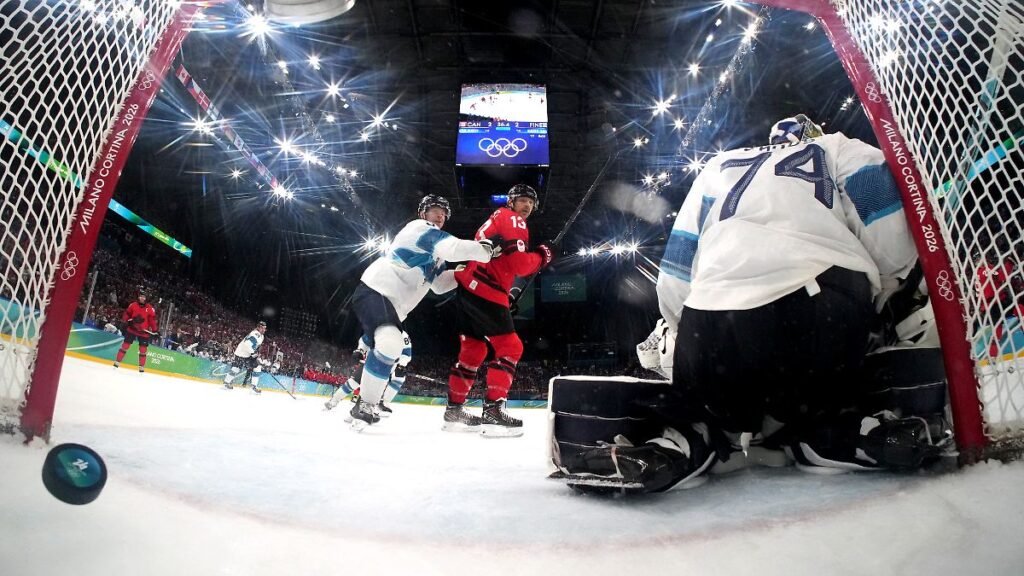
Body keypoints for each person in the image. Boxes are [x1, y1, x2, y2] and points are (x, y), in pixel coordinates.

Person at [561, 115, 943, 493]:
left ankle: (681, 445)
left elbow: (677, 269)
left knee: (706, 416)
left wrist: (686, 331)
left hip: (709, 316)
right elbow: (886, 228)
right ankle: (838, 432)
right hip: (816, 306)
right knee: (825, 403)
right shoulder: (840, 147)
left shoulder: (720, 165)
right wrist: (893, 292)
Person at [347, 194, 499, 430]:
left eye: (444, 213)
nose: (440, 216)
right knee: (390, 343)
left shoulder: (436, 256)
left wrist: (465, 273)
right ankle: (365, 404)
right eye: (436, 210)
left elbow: (439, 286)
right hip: (376, 291)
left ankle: (364, 405)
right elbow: (453, 247)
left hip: (391, 306)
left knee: (391, 346)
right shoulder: (418, 229)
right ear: (423, 214)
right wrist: (483, 250)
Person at [444, 184, 553, 436]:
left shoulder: (497, 218)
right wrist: (543, 256)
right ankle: (493, 411)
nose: (526, 206)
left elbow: (502, 260)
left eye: (531, 202)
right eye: (522, 200)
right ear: (511, 202)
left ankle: (453, 410)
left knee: (474, 349)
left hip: (469, 287)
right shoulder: (513, 219)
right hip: (485, 289)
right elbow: (520, 265)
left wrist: (504, 296)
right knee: (511, 347)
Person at [324, 332, 412, 418]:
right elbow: (364, 341)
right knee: (353, 382)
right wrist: (360, 350)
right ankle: (334, 401)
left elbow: (406, 353)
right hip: (371, 363)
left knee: (398, 378)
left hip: (387, 369)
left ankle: (382, 404)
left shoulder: (402, 335)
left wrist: (401, 365)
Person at [113, 291, 158, 373]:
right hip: (132, 329)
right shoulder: (133, 305)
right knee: (125, 346)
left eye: (144, 297)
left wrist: (155, 330)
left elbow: (152, 321)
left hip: (144, 332)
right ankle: (117, 362)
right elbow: (127, 314)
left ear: (146, 298)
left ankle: (141, 367)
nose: (142, 298)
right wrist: (125, 321)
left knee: (143, 350)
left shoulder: (150, 308)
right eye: (141, 296)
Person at [223, 321, 267, 393]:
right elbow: (246, 345)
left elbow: (255, 347)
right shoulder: (255, 334)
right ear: (258, 327)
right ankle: (253, 387)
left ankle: (226, 383)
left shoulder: (261, 336)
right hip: (243, 353)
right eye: (262, 328)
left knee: (237, 368)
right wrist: (253, 353)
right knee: (238, 368)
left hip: (244, 354)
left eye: (265, 328)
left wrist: (255, 354)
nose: (264, 330)